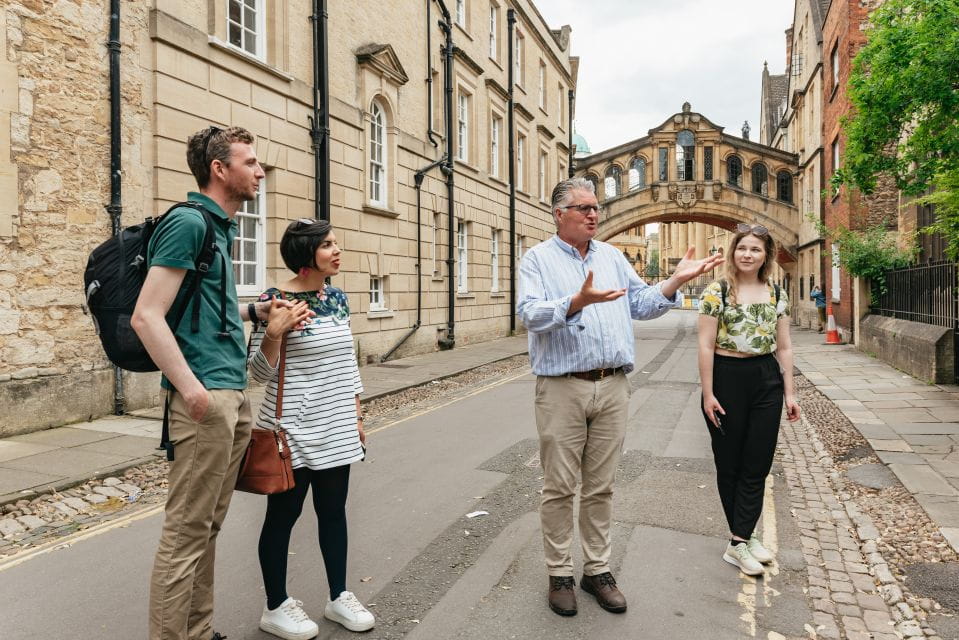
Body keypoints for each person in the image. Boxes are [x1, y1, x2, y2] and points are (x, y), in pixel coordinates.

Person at [517, 177, 725, 617]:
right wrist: (575, 302)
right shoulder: (536, 260)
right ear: (559, 215)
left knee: (600, 487)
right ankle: (559, 574)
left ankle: (597, 571)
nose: (594, 214)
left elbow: (642, 304)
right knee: (559, 487)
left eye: (596, 208)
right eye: (584, 208)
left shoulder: (611, 257)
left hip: (613, 385)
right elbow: (530, 316)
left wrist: (673, 282)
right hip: (561, 387)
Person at [133, 126, 270, 640]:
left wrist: (254, 311)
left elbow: (203, 310)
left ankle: (198, 629)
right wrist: (191, 390)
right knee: (186, 531)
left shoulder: (218, 228)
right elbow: (147, 316)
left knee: (207, 526)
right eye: (251, 162)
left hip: (229, 393)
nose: (259, 171)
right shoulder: (189, 223)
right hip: (205, 398)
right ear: (220, 169)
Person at [248, 218, 375, 638]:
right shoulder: (276, 299)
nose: (337, 251)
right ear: (306, 255)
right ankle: (276, 606)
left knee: (333, 513)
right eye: (327, 245)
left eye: (336, 243)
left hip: (335, 424)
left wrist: (356, 415)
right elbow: (258, 374)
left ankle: (339, 596)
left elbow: (347, 362)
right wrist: (273, 333)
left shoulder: (336, 298)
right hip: (292, 430)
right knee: (283, 518)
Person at [697, 224, 801, 577]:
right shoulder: (718, 291)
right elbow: (705, 345)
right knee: (731, 464)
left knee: (758, 463)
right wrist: (708, 393)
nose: (747, 254)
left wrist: (790, 392)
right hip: (727, 377)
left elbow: (784, 346)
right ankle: (741, 540)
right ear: (733, 252)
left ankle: (742, 538)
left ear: (765, 256)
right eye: (742, 248)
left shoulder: (775, 292)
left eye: (755, 249)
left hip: (766, 378)